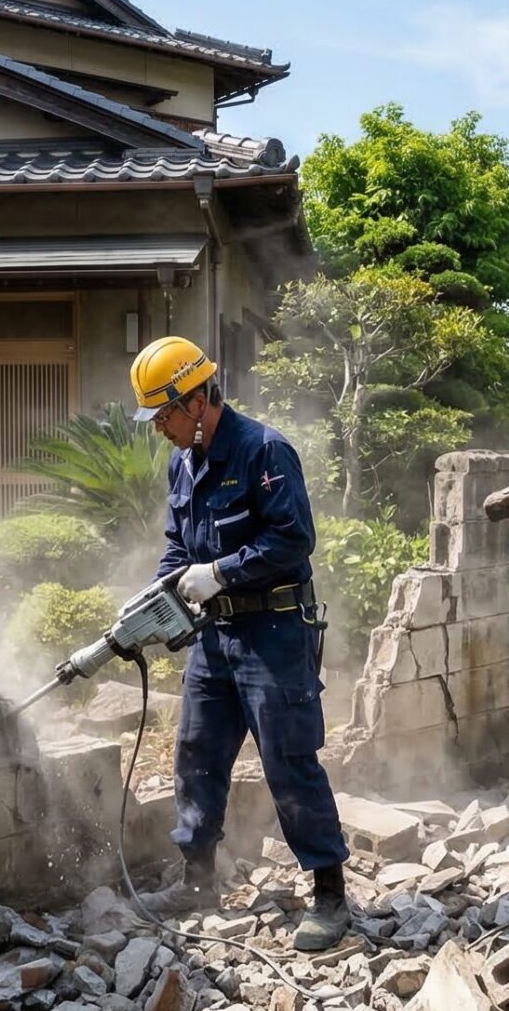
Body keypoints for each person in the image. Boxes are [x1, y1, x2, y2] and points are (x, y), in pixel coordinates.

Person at [131, 335, 351, 951]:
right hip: (215, 635)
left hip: (274, 631)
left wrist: (223, 571)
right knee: (196, 750)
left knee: (289, 760)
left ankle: (330, 895)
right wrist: (161, 589)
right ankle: (197, 878)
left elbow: (293, 539)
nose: (161, 430)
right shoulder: (183, 462)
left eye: (166, 415)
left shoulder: (263, 451)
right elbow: (180, 542)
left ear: (198, 399)